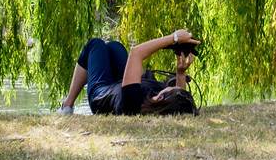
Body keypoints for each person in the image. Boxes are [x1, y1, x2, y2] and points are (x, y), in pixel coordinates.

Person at [59, 29, 200, 116]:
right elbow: (178, 100)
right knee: (115, 47)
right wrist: (180, 73)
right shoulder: (161, 105)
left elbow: (136, 53)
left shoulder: (135, 101)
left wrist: (174, 38)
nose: (171, 85)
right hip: (120, 88)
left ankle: (67, 106)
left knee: (95, 44)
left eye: (171, 87)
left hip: (102, 94)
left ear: (160, 99)